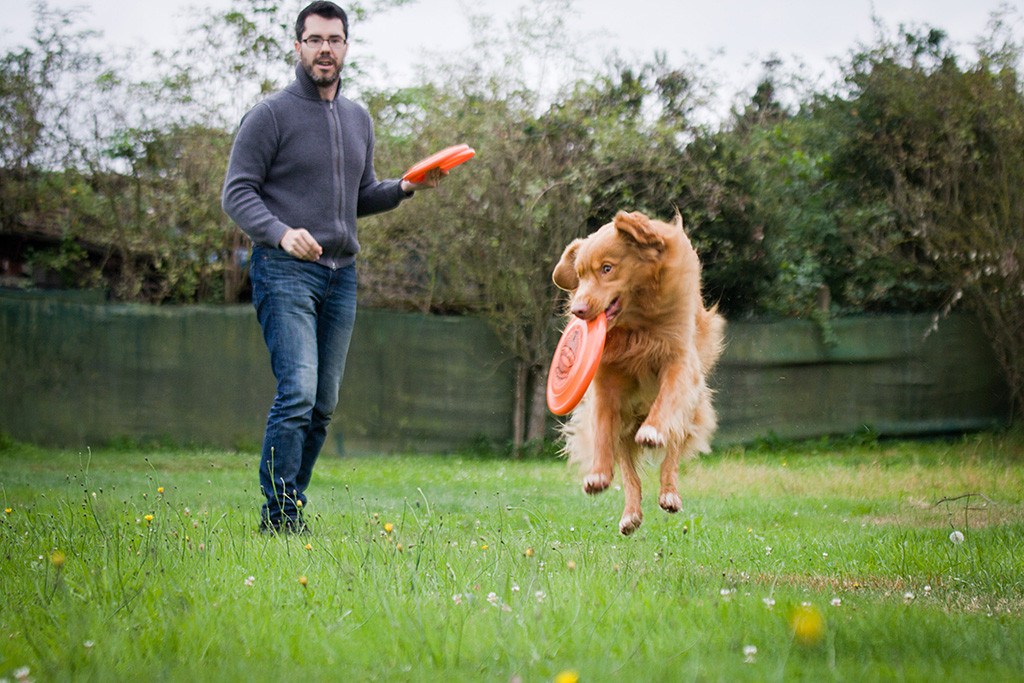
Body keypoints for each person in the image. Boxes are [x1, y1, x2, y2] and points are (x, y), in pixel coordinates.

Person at [222, 0, 445, 535]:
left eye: (335, 39)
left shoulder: (357, 117)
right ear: (297, 46)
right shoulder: (270, 115)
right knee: (297, 392)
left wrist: (405, 188)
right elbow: (237, 193)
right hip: (284, 271)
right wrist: (280, 231)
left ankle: (288, 505)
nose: (326, 49)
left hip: (341, 276)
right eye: (315, 39)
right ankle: (278, 518)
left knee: (322, 405)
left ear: (346, 47)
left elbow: (359, 195)